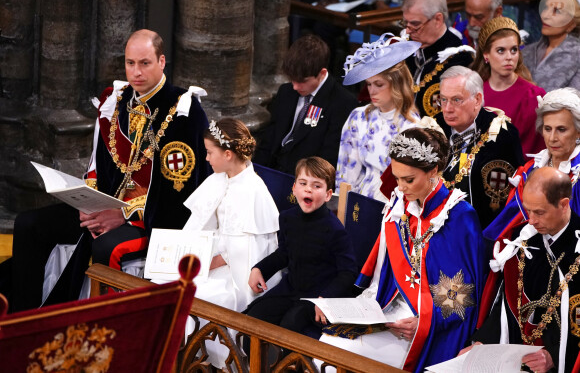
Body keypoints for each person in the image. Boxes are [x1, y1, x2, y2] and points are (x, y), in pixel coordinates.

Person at [8, 29, 211, 312]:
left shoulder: (184, 113)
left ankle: (100, 331)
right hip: (104, 207)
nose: (136, 72)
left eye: (145, 63)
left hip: (150, 219)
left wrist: (124, 214)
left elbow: (180, 195)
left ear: (162, 61)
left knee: (105, 245)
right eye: (130, 63)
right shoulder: (117, 102)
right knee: (29, 224)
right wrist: (87, 201)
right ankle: (24, 318)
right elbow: (98, 166)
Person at [319, 127, 486, 372]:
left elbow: (463, 295)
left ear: (433, 172)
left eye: (409, 180)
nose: (401, 187)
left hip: (426, 325)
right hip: (387, 310)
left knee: (337, 360)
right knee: (325, 347)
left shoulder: (459, 216)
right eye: (397, 178)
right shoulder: (398, 204)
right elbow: (382, 271)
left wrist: (423, 323)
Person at [181, 118, 280, 369]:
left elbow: (245, 252)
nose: (206, 158)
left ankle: (201, 361)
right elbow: (199, 224)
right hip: (214, 257)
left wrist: (205, 263)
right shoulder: (221, 177)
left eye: (209, 152)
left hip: (237, 275)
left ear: (227, 154)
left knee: (192, 295)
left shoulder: (252, 190)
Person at [464, 167, 580, 373]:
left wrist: (553, 355)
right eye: (528, 210)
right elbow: (506, 302)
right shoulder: (522, 237)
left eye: (539, 212)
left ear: (564, 205)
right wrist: (483, 345)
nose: (532, 220)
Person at [244, 157, 357, 343]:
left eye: (316, 186)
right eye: (303, 183)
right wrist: (259, 269)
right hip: (291, 288)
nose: (308, 189)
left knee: (290, 326)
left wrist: (325, 299)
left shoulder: (335, 230)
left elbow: (348, 272)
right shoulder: (287, 218)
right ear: (294, 187)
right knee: (253, 319)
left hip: (317, 296)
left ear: (328, 195)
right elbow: (284, 254)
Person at [483, 87, 580, 250]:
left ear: (578, 132)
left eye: (561, 129)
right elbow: (509, 220)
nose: (553, 138)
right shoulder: (530, 169)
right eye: (547, 129)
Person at [253, 34, 359, 174]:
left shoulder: (343, 102)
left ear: (322, 73)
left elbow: (328, 159)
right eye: (292, 79)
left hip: (306, 179)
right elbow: (269, 141)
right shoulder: (286, 91)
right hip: (272, 171)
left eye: (302, 81)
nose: (295, 86)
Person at [336, 34, 420, 201]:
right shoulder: (358, 117)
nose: (371, 91)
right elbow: (346, 173)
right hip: (359, 200)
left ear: (396, 84)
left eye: (379, 84)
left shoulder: (413, 126)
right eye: (369, 84)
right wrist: (343, 208)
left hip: (395, 204)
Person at [437, 66, 524, 229]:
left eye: (456, 100)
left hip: (481, 231)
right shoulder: (434, 127)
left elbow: (509, 200)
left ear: (477, 100)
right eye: (443, 99)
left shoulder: (502, 135)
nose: (447, 109)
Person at [472, 16, 546, 157]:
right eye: (501, 50)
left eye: (514, 50)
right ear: (486, 55)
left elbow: (536, 151)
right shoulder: (474, 94)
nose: (509, 57)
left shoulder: (534, 97)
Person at [401, 0, 475, 119]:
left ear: (438, 20)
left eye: (415, 24)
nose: (407, 31)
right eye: (406, 23)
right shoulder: (404, 46)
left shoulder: (459, 59)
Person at [523, 0, 580, 92]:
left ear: (572, 24)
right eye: (545, 8)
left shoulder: (577, 55)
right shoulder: (525, 52)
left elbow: (574, 102)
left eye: (557, 11)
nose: (545, 15)